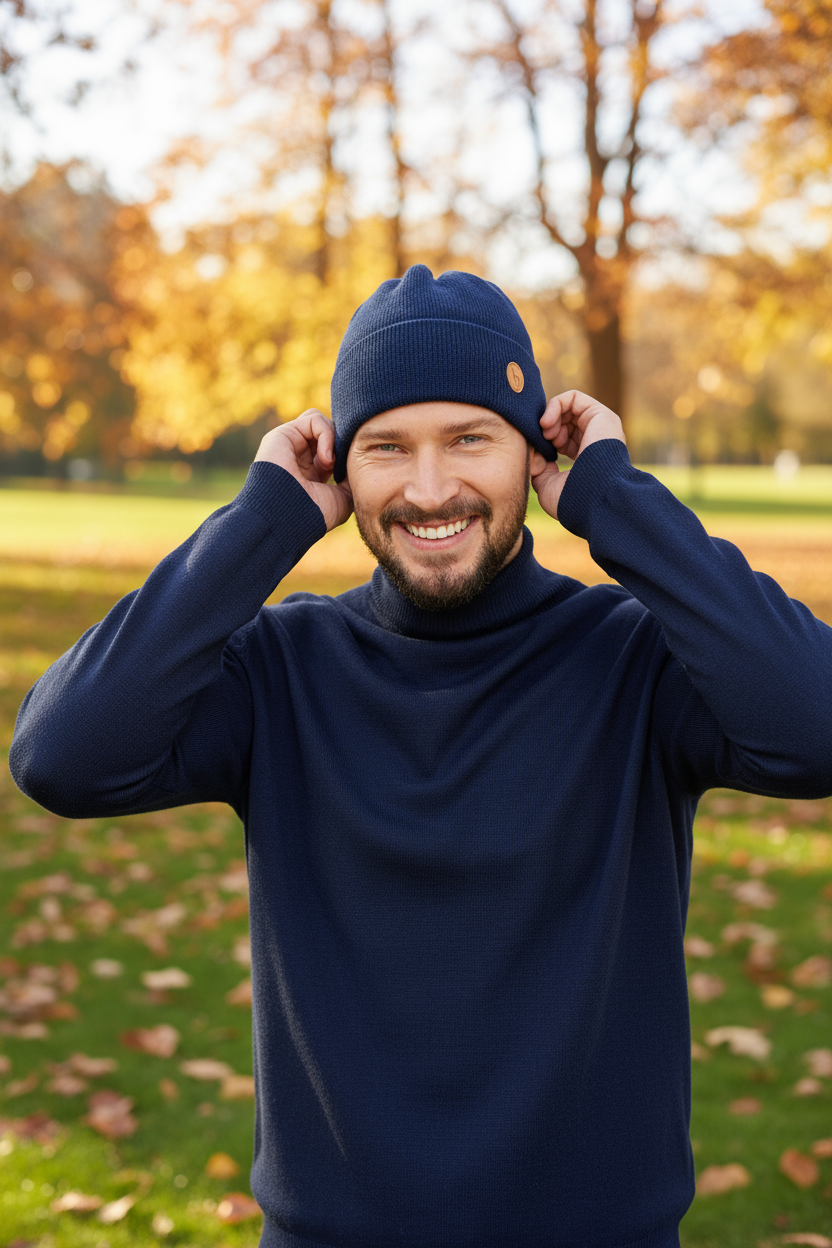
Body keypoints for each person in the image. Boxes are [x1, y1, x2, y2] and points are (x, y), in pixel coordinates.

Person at [9, 265, 832, 1248]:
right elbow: (63, 755)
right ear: (338, 469)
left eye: (469, 439)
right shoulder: (279, 671)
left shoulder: (634, 659)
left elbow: (813, 726)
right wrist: (262, 521)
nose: (429, 487)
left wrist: (617, 502)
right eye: (387, 447)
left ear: (533, 453)